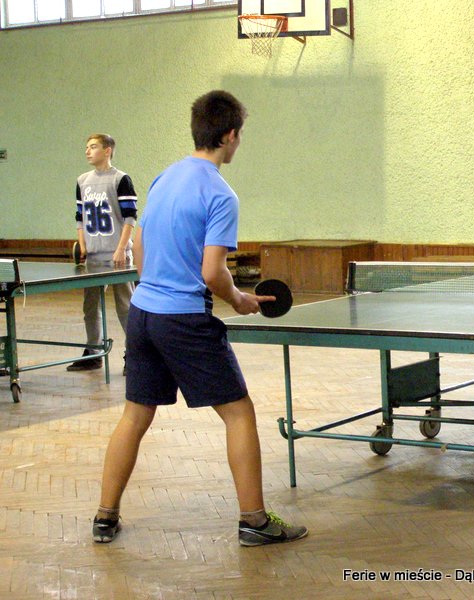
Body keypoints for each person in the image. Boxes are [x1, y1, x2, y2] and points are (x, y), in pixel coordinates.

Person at [92, 90, 308, 547]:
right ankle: (254, 521)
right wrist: (238, 299)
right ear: (229, 135)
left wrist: (157, 286)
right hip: (184, 320)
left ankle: (105, 517)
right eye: (240, 135)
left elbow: (139, 247)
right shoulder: (221, 194)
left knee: (135, 415)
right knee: (239, 413)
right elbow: (212, 272)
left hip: (143, 314)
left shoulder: (165, 177)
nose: (239, 142)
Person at [68, 134, 137, 373]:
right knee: (90, 306)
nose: (87, 151)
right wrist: (82, 245)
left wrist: (121, 249)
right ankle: (93, 352)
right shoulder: (82, 181)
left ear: (107, 150)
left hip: (117, 255)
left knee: (125, 306)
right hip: (94, 257)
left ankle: (134, 355)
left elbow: (130, 217)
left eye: (93, 147)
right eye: (86, 147)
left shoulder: (121, 179)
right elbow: (80, 217)